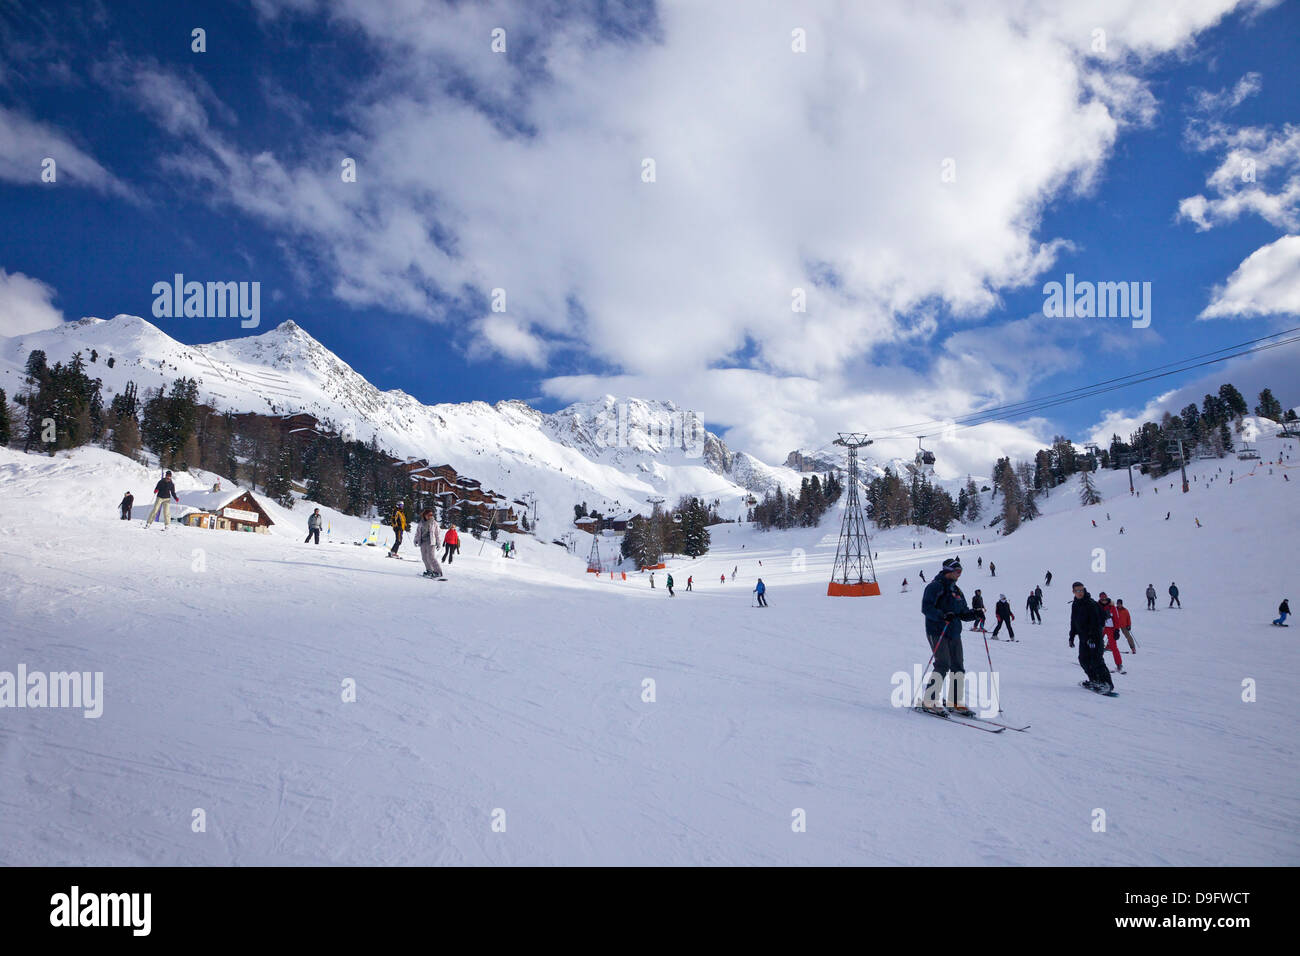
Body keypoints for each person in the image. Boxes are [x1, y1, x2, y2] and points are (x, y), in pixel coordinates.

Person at [919, 558, 981, 714]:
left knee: (958, 666)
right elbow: (926, 608)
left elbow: (962, 612)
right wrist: (942, 615)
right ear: (948, 571)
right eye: (957, 571)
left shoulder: (956, 591)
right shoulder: (935, 587)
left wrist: (974, 614)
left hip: (954, 632)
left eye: (961, 572)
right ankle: (929, 700)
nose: (959, 575)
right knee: (943, 664)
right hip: (937, 631)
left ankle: (954, 701)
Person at [1069, 581, 1113, 693]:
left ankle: (1107, 684)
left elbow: (1097, 623)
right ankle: (1095, 680)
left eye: (1081, 590)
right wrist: (1072, 636)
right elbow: (1073, 621)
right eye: (1077, 591)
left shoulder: (1091, 604)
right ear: (1073, 592)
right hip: (1084, 639)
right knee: (1083, 660)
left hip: (1095, 638)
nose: (1080, 592)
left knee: (1096, 660)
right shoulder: (1075, 604)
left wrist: (1092, 638)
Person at [1098, 592, 1124, 673]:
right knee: (1097, 644)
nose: (1104, 601)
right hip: (1101, 627)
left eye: (1105, 599)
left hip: (1110, 628)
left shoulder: (1112, 607)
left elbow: (1116, 619)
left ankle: (1119, 664)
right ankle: (1095, 661)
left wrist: (1117, 630)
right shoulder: (1097, 606)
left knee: (1113, 646)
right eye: (1102, 599)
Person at [414, 508, 444, 578]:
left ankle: (438, 571)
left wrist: (438, 543)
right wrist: (416, 539)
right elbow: (418, 532)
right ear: (424, 515)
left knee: (431, 557)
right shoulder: (421, 522)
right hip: (423, 541)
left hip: (431, 542)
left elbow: (437, 534)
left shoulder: (434, 523)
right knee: (424, 557)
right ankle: (429, 570)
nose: (430, 516)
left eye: (431, 515)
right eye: (428, 515)